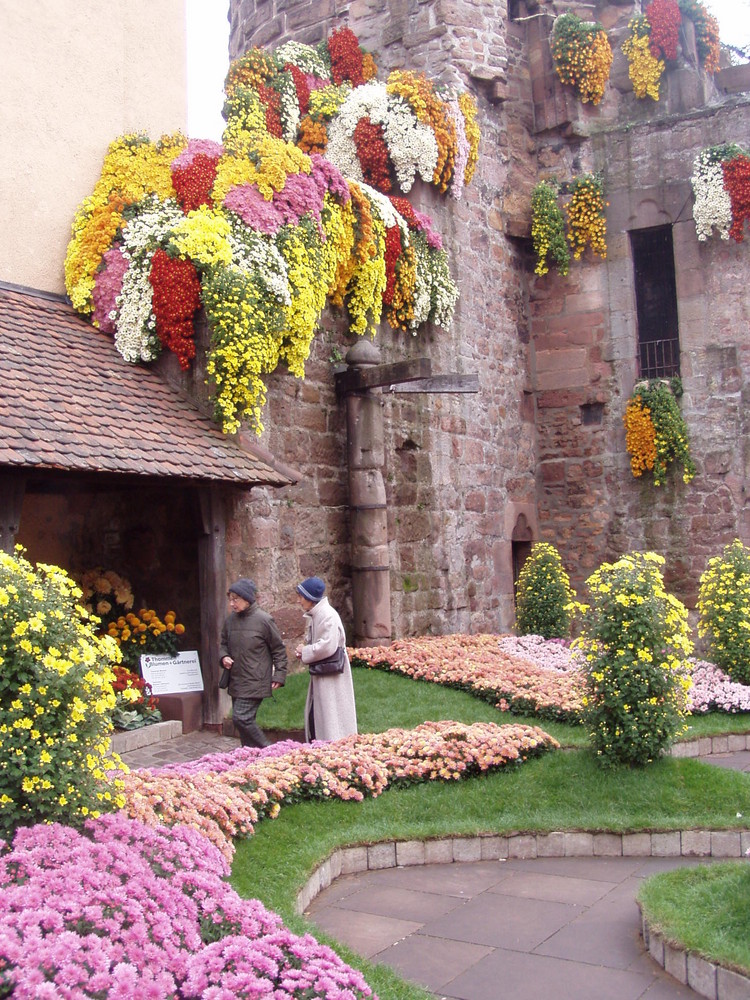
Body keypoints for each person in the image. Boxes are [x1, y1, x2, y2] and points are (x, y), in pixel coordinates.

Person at [219, 578, 287, 748]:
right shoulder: (230, 621)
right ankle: (251, 757)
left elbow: (278, 649)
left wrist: (279, 674)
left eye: (236, 599)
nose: (232, 603)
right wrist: (223, 657)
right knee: (243, 725)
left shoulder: (264, 620)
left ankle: (269, 750)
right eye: (230, 599)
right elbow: (223, 644)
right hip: (236, 679)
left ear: (247, 599)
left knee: (241, 717)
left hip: (256, 679)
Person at [294, 576, 358, 742]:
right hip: (324, 673)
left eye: (301, 597)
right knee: (322, 712)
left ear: (310, 598)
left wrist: (305, 651)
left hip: (331, 675)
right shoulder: (318, 614)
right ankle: (326, 745)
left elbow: (327, 646)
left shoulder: (327, 615)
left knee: (331, 713)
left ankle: (334, 746)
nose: (299, 600)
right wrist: (305, 651)